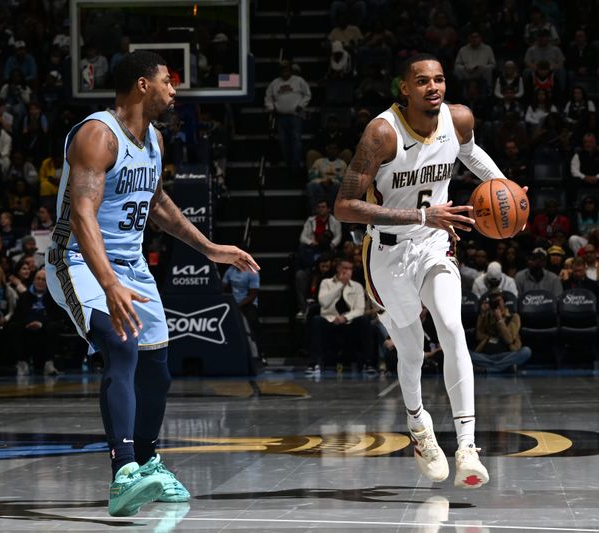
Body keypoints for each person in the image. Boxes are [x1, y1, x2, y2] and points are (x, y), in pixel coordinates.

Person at [44, 51, 259, 517]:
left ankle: (148, 462)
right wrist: (108, 283)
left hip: (130, 265)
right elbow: (82, 215)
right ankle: (123, 472)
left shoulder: (155, 139)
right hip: (79, 260)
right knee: (121, 347)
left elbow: (157, 201)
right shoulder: (97, 134)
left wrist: (210, 248)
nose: (174, 90)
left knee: (157, 368)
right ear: (143, 85)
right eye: (168, 81)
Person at [334, 53, 509, 489]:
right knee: (411, 352)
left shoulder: (459, 119)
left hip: (434, 246)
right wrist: (419, 215)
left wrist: (505, 186)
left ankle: (467, 445)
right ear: (405, 90)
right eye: (422, 81)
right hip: (387, 255)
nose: (433, 87)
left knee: (452, 328)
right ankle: (419, 429)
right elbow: (344, 207)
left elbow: (470, 155)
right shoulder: (381, 133)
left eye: (440, 79)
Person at [307, 257, 370, 374]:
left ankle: (367, 363)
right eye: (345, 268)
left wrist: (345, 318)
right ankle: (314, 363)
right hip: (330, 320)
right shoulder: (326, 283)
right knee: (316, 321)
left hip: (349, 322)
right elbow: (323, 303)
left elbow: (360, 309)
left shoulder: (357, 286)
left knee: (364, 321)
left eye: (350, 269)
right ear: (338, 269)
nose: (347, 271)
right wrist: (340, 285)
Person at [470, 288, 532, 372]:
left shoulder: (514, 317)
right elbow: (478, 336)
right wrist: (482, 315)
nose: (496, 304)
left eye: (498, 300)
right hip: (486, 356)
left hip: (507, 354)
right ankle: (505, 366)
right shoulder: (486, 317)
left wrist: (499, 320)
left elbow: (509, 339)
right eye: (493, 301)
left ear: (504, 301)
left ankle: (488, 369)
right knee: (466, 353)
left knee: (526, 351)